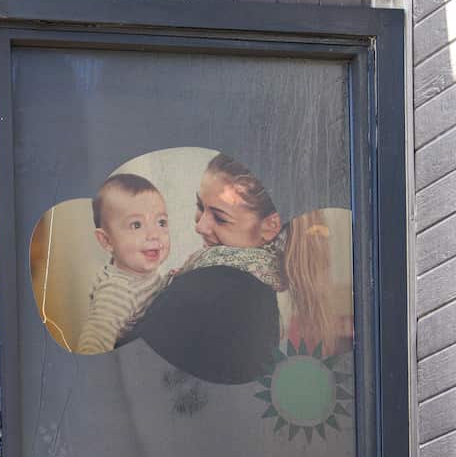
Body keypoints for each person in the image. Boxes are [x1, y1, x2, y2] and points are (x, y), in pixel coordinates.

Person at [117, 153, 337, 384]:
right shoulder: (257, 289)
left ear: (270, 227)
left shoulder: (214, 286)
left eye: (220, 218)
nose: (200, 226)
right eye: (200, 206)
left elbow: (125, 371)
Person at [75, 174, 172, 354]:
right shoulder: (118, 289)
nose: (154, 234)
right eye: (136, 225)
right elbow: (96, 335)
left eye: (161, 222)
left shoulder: (137, 273)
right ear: (107, 241)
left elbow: (151, 296)